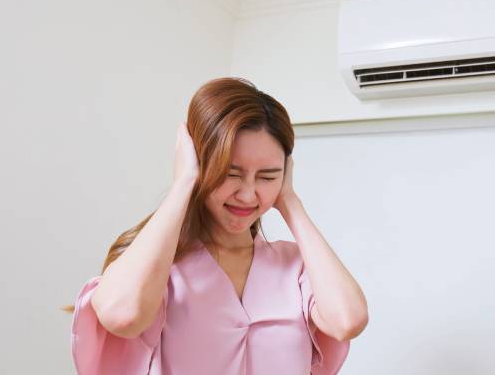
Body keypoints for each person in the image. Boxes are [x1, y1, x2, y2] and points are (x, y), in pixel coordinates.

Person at [69, 77, 369, 374]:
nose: (248, 194)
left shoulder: (295, 266)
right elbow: (123, 315)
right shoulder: (161, 268)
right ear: (200, 163)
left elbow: (347, 321)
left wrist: (290, 202)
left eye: (267, 176)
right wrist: (184, 184)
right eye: (231, 173)